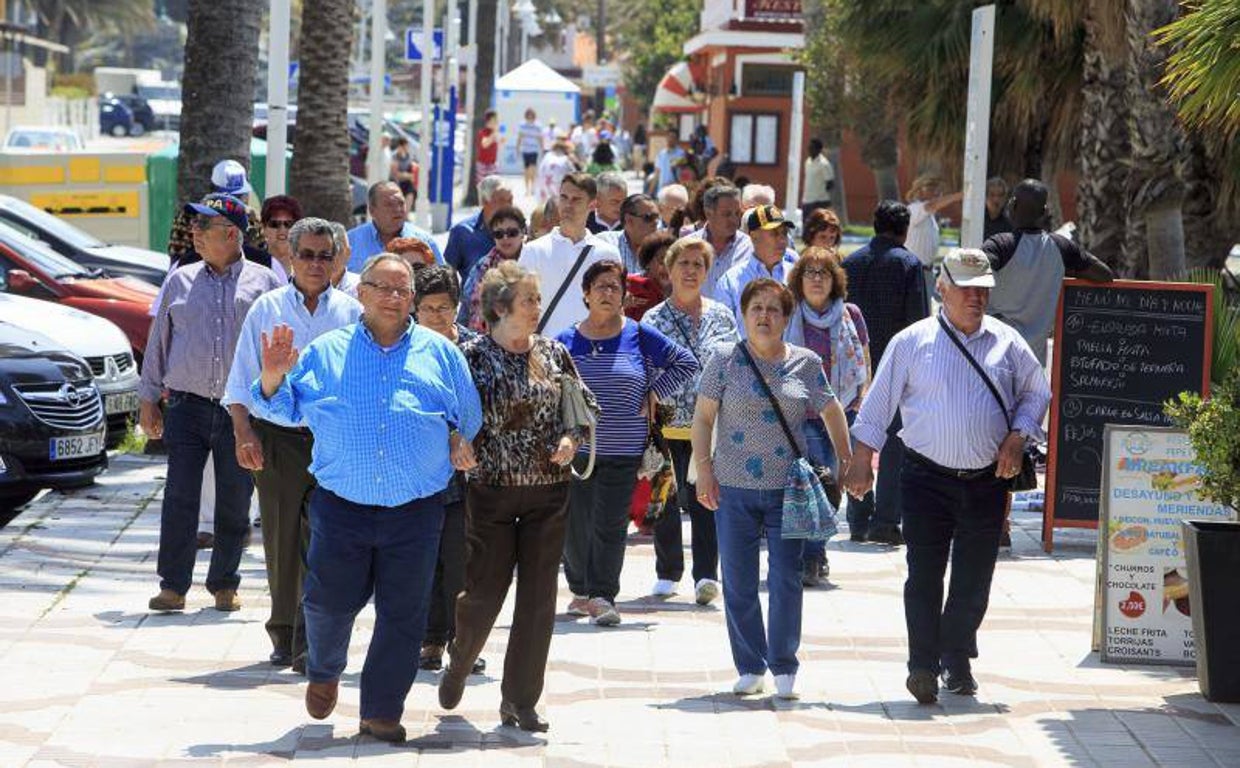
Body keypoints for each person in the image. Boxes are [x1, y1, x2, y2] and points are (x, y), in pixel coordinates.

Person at [252, 254, 483, 743]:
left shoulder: (441, 354)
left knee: (404, 614)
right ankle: (324, 667)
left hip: (417, 509)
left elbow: (468, 416)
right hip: (341, 505)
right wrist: (273, 375)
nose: (395, 297)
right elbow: (280, 405)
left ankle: (381, 710)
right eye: (384, 287)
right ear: (361, 291)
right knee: (325, 603)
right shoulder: (327, 351)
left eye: (404, 291)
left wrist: (459, 440)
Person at [842, 248, 1051, 705]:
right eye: (965, 288)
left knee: (974, 579)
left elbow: (1038, 393)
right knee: (924, 574)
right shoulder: (912, 341)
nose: (975, 298)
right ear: (942, 287)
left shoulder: (1007, 342)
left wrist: (1018, 437)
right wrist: (862, 459)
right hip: (925, 478)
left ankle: (956, 655)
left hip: (986, 481)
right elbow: (879, 405)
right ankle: (921, 665)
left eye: (982, 290)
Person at [437, 262, 596, 732]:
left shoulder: (554, 352)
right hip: (491, 493)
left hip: (549, 493)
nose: (536, 308)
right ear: (501, 307)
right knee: (483, 594)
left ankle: (520, 702)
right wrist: (454, 441)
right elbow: (445, 414)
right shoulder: (471, 356)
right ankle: (461, 661)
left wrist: (571, 440)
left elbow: (580, 409)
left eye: (536, 300)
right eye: (528, 300)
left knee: (538, 600)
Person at [692, 278, 852, 700]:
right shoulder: (724, 358)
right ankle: (750, 665)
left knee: (786, 578)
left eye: (773, 310)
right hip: (733, 487)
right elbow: (704, 418)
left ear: (786, 318)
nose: (764, 316)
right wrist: (704, 470)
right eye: (756, 308)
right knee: (739, 581)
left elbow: (831, 408)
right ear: (744, 315)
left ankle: (783, 664)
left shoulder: (806, 362)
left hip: (789, 489)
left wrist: (847, 458)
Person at [222, 217, 362, 669]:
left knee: (326, 540)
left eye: (325, 255)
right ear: (291, 256)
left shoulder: (353, 313)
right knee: (282, 540)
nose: (316, 264)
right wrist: (243, 433)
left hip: (334, 441)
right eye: (307, 254)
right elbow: (241, 380)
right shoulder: (267, 309)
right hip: (278, 441)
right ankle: (285, 631)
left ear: (338, 258)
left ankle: (312, 636)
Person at [141, 193, 284, 614]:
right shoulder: (180, 279)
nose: (195, 234)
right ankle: (173, 586)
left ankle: (224, 582)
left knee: (235, 498)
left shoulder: (265, 283)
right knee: (180, 496)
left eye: (204, 228)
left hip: (239, 411)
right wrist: (148, 398)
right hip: (185, 405)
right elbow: (158, 344)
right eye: (195, 226)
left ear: (231, 234)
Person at [556, 260, 698, 626]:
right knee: (575, 524)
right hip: (579, 452)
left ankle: (603, 595)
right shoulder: (565, 341)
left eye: (614, 287)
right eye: (600, 286)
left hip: (625, 449)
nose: (607, 293)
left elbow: (686, 363)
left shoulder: (638, 334)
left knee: (609, 524)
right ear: (585, 294)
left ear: (624, 295)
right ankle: (581, 590)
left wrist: (655, 393)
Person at [644, 237, 737, 602]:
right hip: (665, 423)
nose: (690, 270)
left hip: (709, 424)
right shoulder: (654, 318)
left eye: (698, 264)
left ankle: (705, 575)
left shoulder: (722, 315)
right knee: (665, 500)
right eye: (683, 263)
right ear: (669, 269)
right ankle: (668, 572)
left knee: (706, 499)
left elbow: (733, 365)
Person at [408, 265, 487, 676]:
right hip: (418, 472)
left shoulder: (476, 348)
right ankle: (429, 639)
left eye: (445, 307)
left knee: (464, 561)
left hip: (469, 475)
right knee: (425, 560)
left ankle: (464, 642)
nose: (438, 316)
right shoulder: (406, 348)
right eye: (429, 308)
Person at [841, 201, 930, 546]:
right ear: (905, 229)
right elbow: (919, 321)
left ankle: (857, 516)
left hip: (855, 365)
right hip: (896, 365)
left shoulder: (850, 262)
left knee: (856, 437)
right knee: (893, 441)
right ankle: (886, 520)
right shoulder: (909, 263)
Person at [784, 248, 872, 587]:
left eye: (824, 272)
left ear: (835, 279)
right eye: (810, 272)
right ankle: (810, 556)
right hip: (796, 415)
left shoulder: (851, 314)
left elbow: (864, 360)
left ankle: (815, 552)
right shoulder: (788, 312)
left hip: (839, 413)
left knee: (828, 487)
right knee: (807, 487)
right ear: (799, 279)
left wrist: (862, 404)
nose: (817, 278)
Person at [982, 178, 1115, 365]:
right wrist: (1059, 268)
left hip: (993, 355)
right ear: (1044, 212)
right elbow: (1105, 275)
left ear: (1012, 205)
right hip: (1033, 362)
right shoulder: (1061, 248)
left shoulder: (999, 244)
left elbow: (977, 271)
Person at [518, 173, 621, 337]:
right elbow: (519, 305)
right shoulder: (533, 250)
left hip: (592, 352)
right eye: (564, 197)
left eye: (576, 200)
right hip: (545, 353)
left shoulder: (607, 253)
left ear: (592, 204)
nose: (568, 205)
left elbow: (615, 308)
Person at [166, 159, 269, 272]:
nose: (230, 202)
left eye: (236, 197)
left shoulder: (252, 219)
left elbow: (263, 260)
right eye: (225, 196)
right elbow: (176, 266)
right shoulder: (189, 216)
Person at [716, 205, 799, 328]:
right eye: (775, 233)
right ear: (754, 236)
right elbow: (722, 330)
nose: (782, 240)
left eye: (784, 233)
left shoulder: (797, 276)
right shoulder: (731, 281)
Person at [346, 181, 440, 272]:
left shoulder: (424, 241)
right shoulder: (351, 242)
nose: (398, 209)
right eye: (389, 205)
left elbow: (443, 280)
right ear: (372, 210)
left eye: (401, 203)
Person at [460, 206, 527, 331]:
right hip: (484, 339)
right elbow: (466, 309)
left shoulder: (535, 260)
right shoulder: (482, 267)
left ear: (523, 232)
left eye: (512, 233)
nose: (505, 238)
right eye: (499, 234)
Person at [905, 175, 963, 300]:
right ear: (919, 191)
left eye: (937, 188)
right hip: (913, 273)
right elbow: (932, 205)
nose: (936, 192)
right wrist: (958, 196)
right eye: (931, 187)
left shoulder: (930, 217)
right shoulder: (914, 209)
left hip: (926, 272)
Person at [444, 176, 513, 279]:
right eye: (501, 200)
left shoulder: (520, 231)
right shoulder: (462, 232)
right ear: (485, 201)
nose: (508, 206)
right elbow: (448, 275)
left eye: (510, 200)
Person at [689, 183, 753, 295]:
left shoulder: (750, 247)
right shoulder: (688, 246)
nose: (734, 219)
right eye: (727, 214)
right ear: (708, 213)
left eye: (737, 213)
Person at [598, 193, 660, 275]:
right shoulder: (605, 243)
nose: (655, 223)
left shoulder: (662, 249)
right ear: (629, 220)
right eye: (649, 217)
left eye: (657, 217)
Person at [625, 231, 674, 321]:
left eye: (672, 261)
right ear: (648, 262)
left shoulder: (682, 290)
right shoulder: (629, 286)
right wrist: (618, 304)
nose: (667, 267)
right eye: (661, 260)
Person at [259, 195, 304, 279]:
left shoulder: (309, 266)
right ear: (263, 228)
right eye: (274, 224)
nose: (282, 230)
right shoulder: (252, 265)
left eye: (289, 224)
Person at [801, 138, 836, 223]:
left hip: (820, 201)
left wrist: (820, 192)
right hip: (807, 200)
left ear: (818, 150)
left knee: (819, 227)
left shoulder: (824, 164)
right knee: (806, 227)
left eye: (812, 147)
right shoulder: (808, 162)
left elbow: (830, 183)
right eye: (809, 147)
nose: (809, 149)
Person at [535, 137, 577, 204]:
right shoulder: (566, 159)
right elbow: (575, 174)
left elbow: (540, 172)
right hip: (558, 190)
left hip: (544, 188)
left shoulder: (547, 156)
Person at [328, 221, 360, 298]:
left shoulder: (361, 287)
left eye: (339, 251)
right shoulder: (302, 286)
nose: (334, 258)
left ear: (348, 253)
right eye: (326, 252)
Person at [517, 109, 545, 195]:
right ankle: (527, 189)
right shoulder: (522, 125)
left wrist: (542, 148)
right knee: (526, 170)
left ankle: (532, 187)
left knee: (532, 169)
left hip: (534, 150)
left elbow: (540, 138)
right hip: (525, 150)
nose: (530, 117)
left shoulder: (538, 126)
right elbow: (520, 137)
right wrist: (517, 147)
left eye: (531, 115)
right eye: (528, 115)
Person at [389, 137, 418, 211]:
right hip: (396, 182)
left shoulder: (408, 156)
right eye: (406, 146)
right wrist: (408, 175)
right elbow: (395, 174)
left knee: (410, 194)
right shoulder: (394, 157)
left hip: (406, 182)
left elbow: (412, 168)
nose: (407, 148)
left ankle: (405, 214)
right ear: (400, 146)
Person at [475, 110, 503, 185]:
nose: (496, 123)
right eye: (494, 120)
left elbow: (500, 142)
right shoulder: (483, 132)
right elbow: (484, 144)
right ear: (488, 121)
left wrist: (499, 138)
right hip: (483, 164)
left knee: (494, 186)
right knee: (483, 186)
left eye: (497, 121)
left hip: (492, 164)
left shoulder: (494, 133)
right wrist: (493, 134)